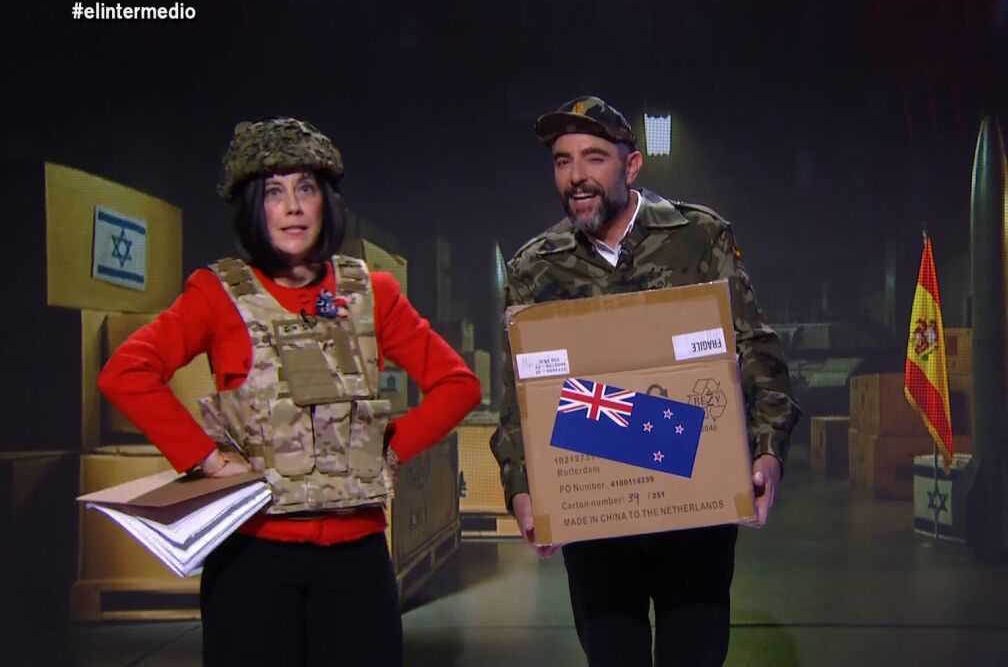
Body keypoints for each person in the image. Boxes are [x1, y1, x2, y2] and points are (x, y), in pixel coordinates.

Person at [98, 116, 481, 666]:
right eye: (274, 192)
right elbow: (126, 372)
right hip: (252, 558)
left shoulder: (371, 292)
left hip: (355, 558)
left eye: (306, 188)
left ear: (326, 202)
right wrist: (206, 459)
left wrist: (387, 448)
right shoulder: (216, 295)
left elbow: (458, 385)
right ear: (254, 208)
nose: (293, 207)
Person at [490, 96, 801, 666]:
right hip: (594, 510)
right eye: (562, 161)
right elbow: (519, 398)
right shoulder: (535, 268)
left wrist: (768, 452)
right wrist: (521, 488)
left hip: (696, 506)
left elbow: (755, 348)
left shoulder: (698, 237)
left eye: (594, 157)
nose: (576, 176)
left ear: (631, 166)